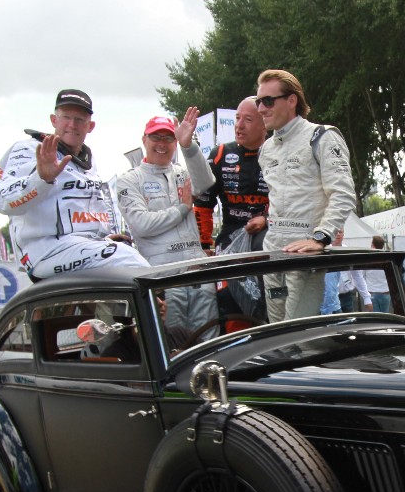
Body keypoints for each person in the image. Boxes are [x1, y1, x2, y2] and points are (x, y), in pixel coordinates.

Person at [0, 88, 147, 280]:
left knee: (130, 255)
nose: (72, 125)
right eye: (66, 117)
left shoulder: (88, 160)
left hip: (80, 247)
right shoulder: (30, 149)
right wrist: (41, 179)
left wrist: (103, 239)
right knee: (128, 260)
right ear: (53, 120)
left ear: (90, 126)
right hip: (45, 252)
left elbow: (83, 212)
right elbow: (1, 200)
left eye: (80, 119)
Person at [254, 69, 357, 321]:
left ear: (292, 100)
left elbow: (343, 194)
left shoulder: (322, 136)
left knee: (295, 332)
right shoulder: (266, 149)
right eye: (258, 102)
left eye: (268, 101)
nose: (261, 109)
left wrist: (320, 238)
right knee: (276, 331)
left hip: (304, 253)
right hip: (273, 252)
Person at [116, 109, 219, 336]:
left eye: (168, 138)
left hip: (198, 272)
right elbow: (142, 224)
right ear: (144, 140)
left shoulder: (182, 173)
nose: (162, 143)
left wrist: (188, 146)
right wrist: (182, 209)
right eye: (156, 137)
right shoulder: (129, 180)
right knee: (173, 343)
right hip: (163, 277)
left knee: (209, 339)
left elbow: (206, 181)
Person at [194, 97, 269, 253]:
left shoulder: (279, 154)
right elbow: (203, 204)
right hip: (230, 237)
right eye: (237, 118)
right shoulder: (220, 154)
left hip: (270, 235)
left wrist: (267, 219)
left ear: (265, 125)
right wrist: (204, 245)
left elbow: (292, 203)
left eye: (248, 119)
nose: (239, 125)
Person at [363, 236, 392, 312]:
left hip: (372, 292)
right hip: (385, 292)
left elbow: (362, 276)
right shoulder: (387, 259)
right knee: (385, 316)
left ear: (372, 245)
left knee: (375, 317)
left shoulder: (367, 259)